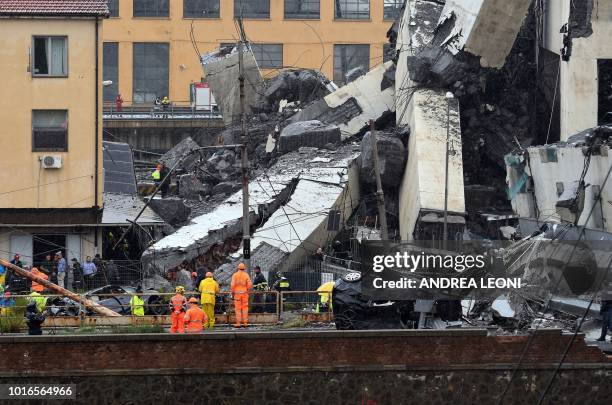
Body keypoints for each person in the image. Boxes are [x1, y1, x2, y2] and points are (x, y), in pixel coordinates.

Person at [230, 262, 252, 328]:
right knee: (245, 308)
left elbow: (232, 285)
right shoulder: (246, 275)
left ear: (238, 268)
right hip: (244, 293)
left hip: (237, 294)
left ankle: (238, 323)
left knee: (238, 308)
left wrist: (232, 292)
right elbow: (250, 284)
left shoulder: (235, 275)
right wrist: (247, 290)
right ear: (244, 268)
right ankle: (245, 323)